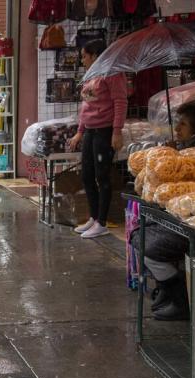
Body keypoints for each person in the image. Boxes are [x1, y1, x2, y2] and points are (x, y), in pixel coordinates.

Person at [144, 102, 195, 321]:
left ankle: (180, 300)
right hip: (180, 218)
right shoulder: (186, 153)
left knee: (148, 246)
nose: (177, 129)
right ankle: (169, 293)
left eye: (183, 124)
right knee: (141, 235)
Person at [67, 39, 128, 240]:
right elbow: (87, 106)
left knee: (102, 177)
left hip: (105, 130)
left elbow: (120, 102)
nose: (82, 60)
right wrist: (80, 131)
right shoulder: (91, 74)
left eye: (85, 55)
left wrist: (116, 131)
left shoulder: (112, 73)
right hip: (91, 131)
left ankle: (102, 222)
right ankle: (93, 217)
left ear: (95, 55)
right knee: (86, 175)